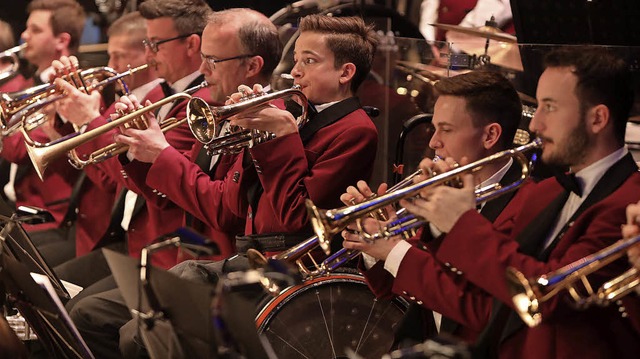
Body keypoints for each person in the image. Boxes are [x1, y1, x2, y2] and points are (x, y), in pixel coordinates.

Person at [346, 46, 640, 358]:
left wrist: (457, 224)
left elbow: (541, 298)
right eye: (537, 106)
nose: (536, 124)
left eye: (550, 107)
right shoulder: (548, 192)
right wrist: (390, 239)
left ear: (598, 119)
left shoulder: (628, 202)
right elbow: (487, 285)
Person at [341, 70, 522, 346]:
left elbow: (479, 309)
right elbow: (389, 288)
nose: (433, 142)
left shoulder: (525, 205)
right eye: (434, 127)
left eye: (446, 129)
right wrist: (376, 240)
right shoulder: (447, 184)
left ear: (490, 136)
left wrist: (394, 249)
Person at [0, 0, 84, 247]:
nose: (24, 35)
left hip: (50, 214)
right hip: (19, 204)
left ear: (62, 41)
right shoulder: (31, 83)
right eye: (26, 28)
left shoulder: (74, 90)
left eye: (35, 30)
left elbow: (18, 149)